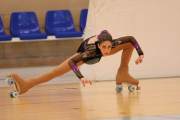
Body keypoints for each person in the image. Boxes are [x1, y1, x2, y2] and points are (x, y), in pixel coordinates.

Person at [11, 30, 144, 95]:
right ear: (98, 45)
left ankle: (123, 73)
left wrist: (141, 54)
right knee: (56, 71)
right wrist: (82, 77)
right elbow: (72, 61)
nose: (107, 50)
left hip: (101, 46)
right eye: (104, 47)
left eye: (109, 46)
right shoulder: (90, 52)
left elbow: (131, 39)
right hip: (89, 56)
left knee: (128, 44)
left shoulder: (111, 44)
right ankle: (28, 84)